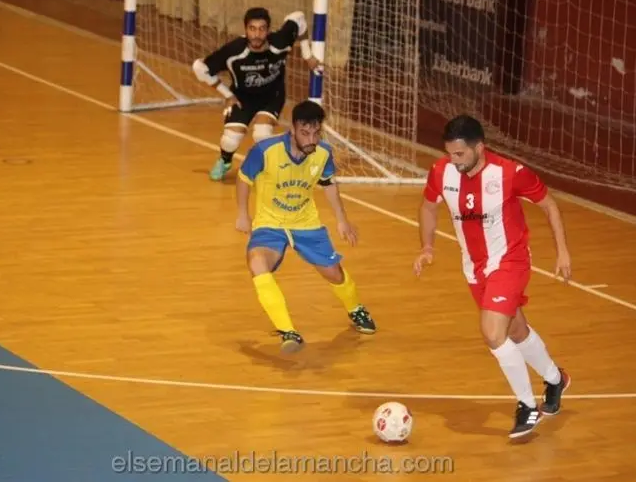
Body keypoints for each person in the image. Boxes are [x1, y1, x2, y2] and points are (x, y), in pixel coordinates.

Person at [414, 114, 572, 439]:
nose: (454, 160)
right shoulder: (442, 171)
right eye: (450, 153)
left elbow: (549, 205)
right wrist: (427, 247)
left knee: (492, 332)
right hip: (474, 267)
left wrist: (563, 251)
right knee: (515, 330)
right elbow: (428, 206)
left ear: (479, 147)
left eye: (460, 154)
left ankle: (527, 406)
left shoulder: (510, 173)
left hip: (510, 261)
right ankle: (556, 380)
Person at [235, 100, 376, 352]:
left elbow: (328, 183)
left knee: (334, 273)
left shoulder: (323, 153)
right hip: (270, 224)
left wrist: (342, 219)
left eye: (316, 133)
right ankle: (288, 332)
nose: (311, 139)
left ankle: (356, 309)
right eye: (305, 132)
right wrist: (243, 214)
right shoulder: (265, 150)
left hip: (306, 223)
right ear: (292, 129)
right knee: (256, 263)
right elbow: (244, 178)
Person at [192, 7, 322, 181]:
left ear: (268, 30)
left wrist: (307, 55)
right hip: (242, 98)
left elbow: (298, 17)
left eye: (262, 29)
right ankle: (225, 160)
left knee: (262, 134)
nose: (257, 34)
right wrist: (228, 95)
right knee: (230, 140)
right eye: (252, 29)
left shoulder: (279, 43)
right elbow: (199, 68)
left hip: (272, 95)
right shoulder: (234, 51)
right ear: (245, 30)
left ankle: (269, 168)